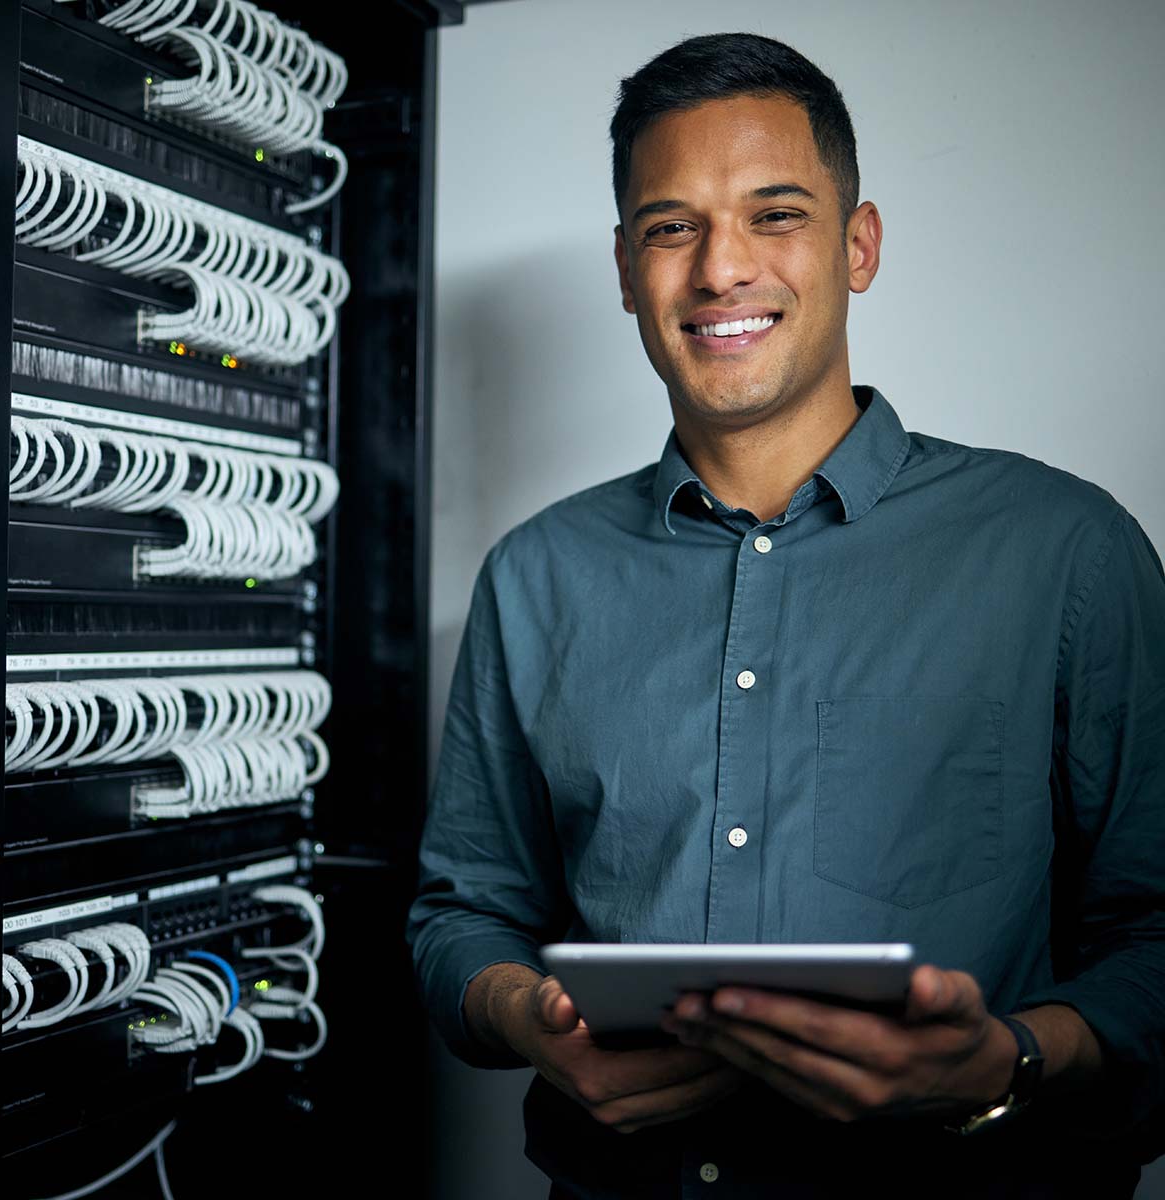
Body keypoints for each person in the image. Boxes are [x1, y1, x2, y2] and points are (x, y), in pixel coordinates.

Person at [407, 32, 1165, 1199]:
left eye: (775, 215)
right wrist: (524, 1016)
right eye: (672, 227)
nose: (720, 271)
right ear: (625, 270)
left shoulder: (1066, 550)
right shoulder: (535, 576)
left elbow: (1158, 930)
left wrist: (1002, 1058)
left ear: (858, 246)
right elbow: (465, 912)